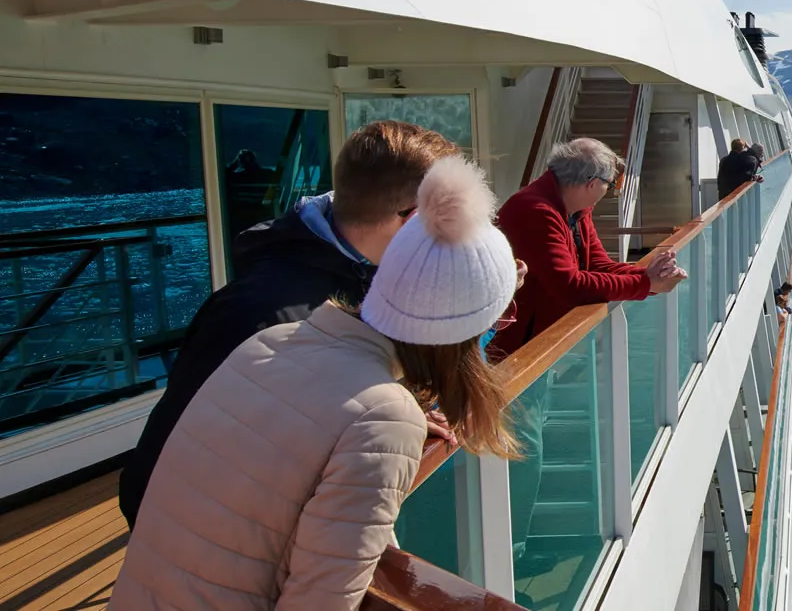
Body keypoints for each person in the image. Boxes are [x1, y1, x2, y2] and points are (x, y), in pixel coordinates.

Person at [109, 156, 521, 611]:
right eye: (496, 317)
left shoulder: (273, 341)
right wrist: (387, 431)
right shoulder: (384, 416)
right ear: (459, 335)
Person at [119, 120, 462, 528]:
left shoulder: (361, 276)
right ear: (409, 221)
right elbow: (156, 476)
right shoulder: (258, 315)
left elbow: (317, 401)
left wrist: (399, 410)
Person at [491, 138, 685, 546]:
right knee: (523, 451)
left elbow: (597, 264)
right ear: (589, 181)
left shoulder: (573, 210)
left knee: (528, 442)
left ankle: (512, 541)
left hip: (532, 348)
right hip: (510, 356)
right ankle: (509, 549)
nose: (609, 192)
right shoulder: (536, 211)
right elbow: (570, 285)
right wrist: (645, 284)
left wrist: (644, 270)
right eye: (610, 185)